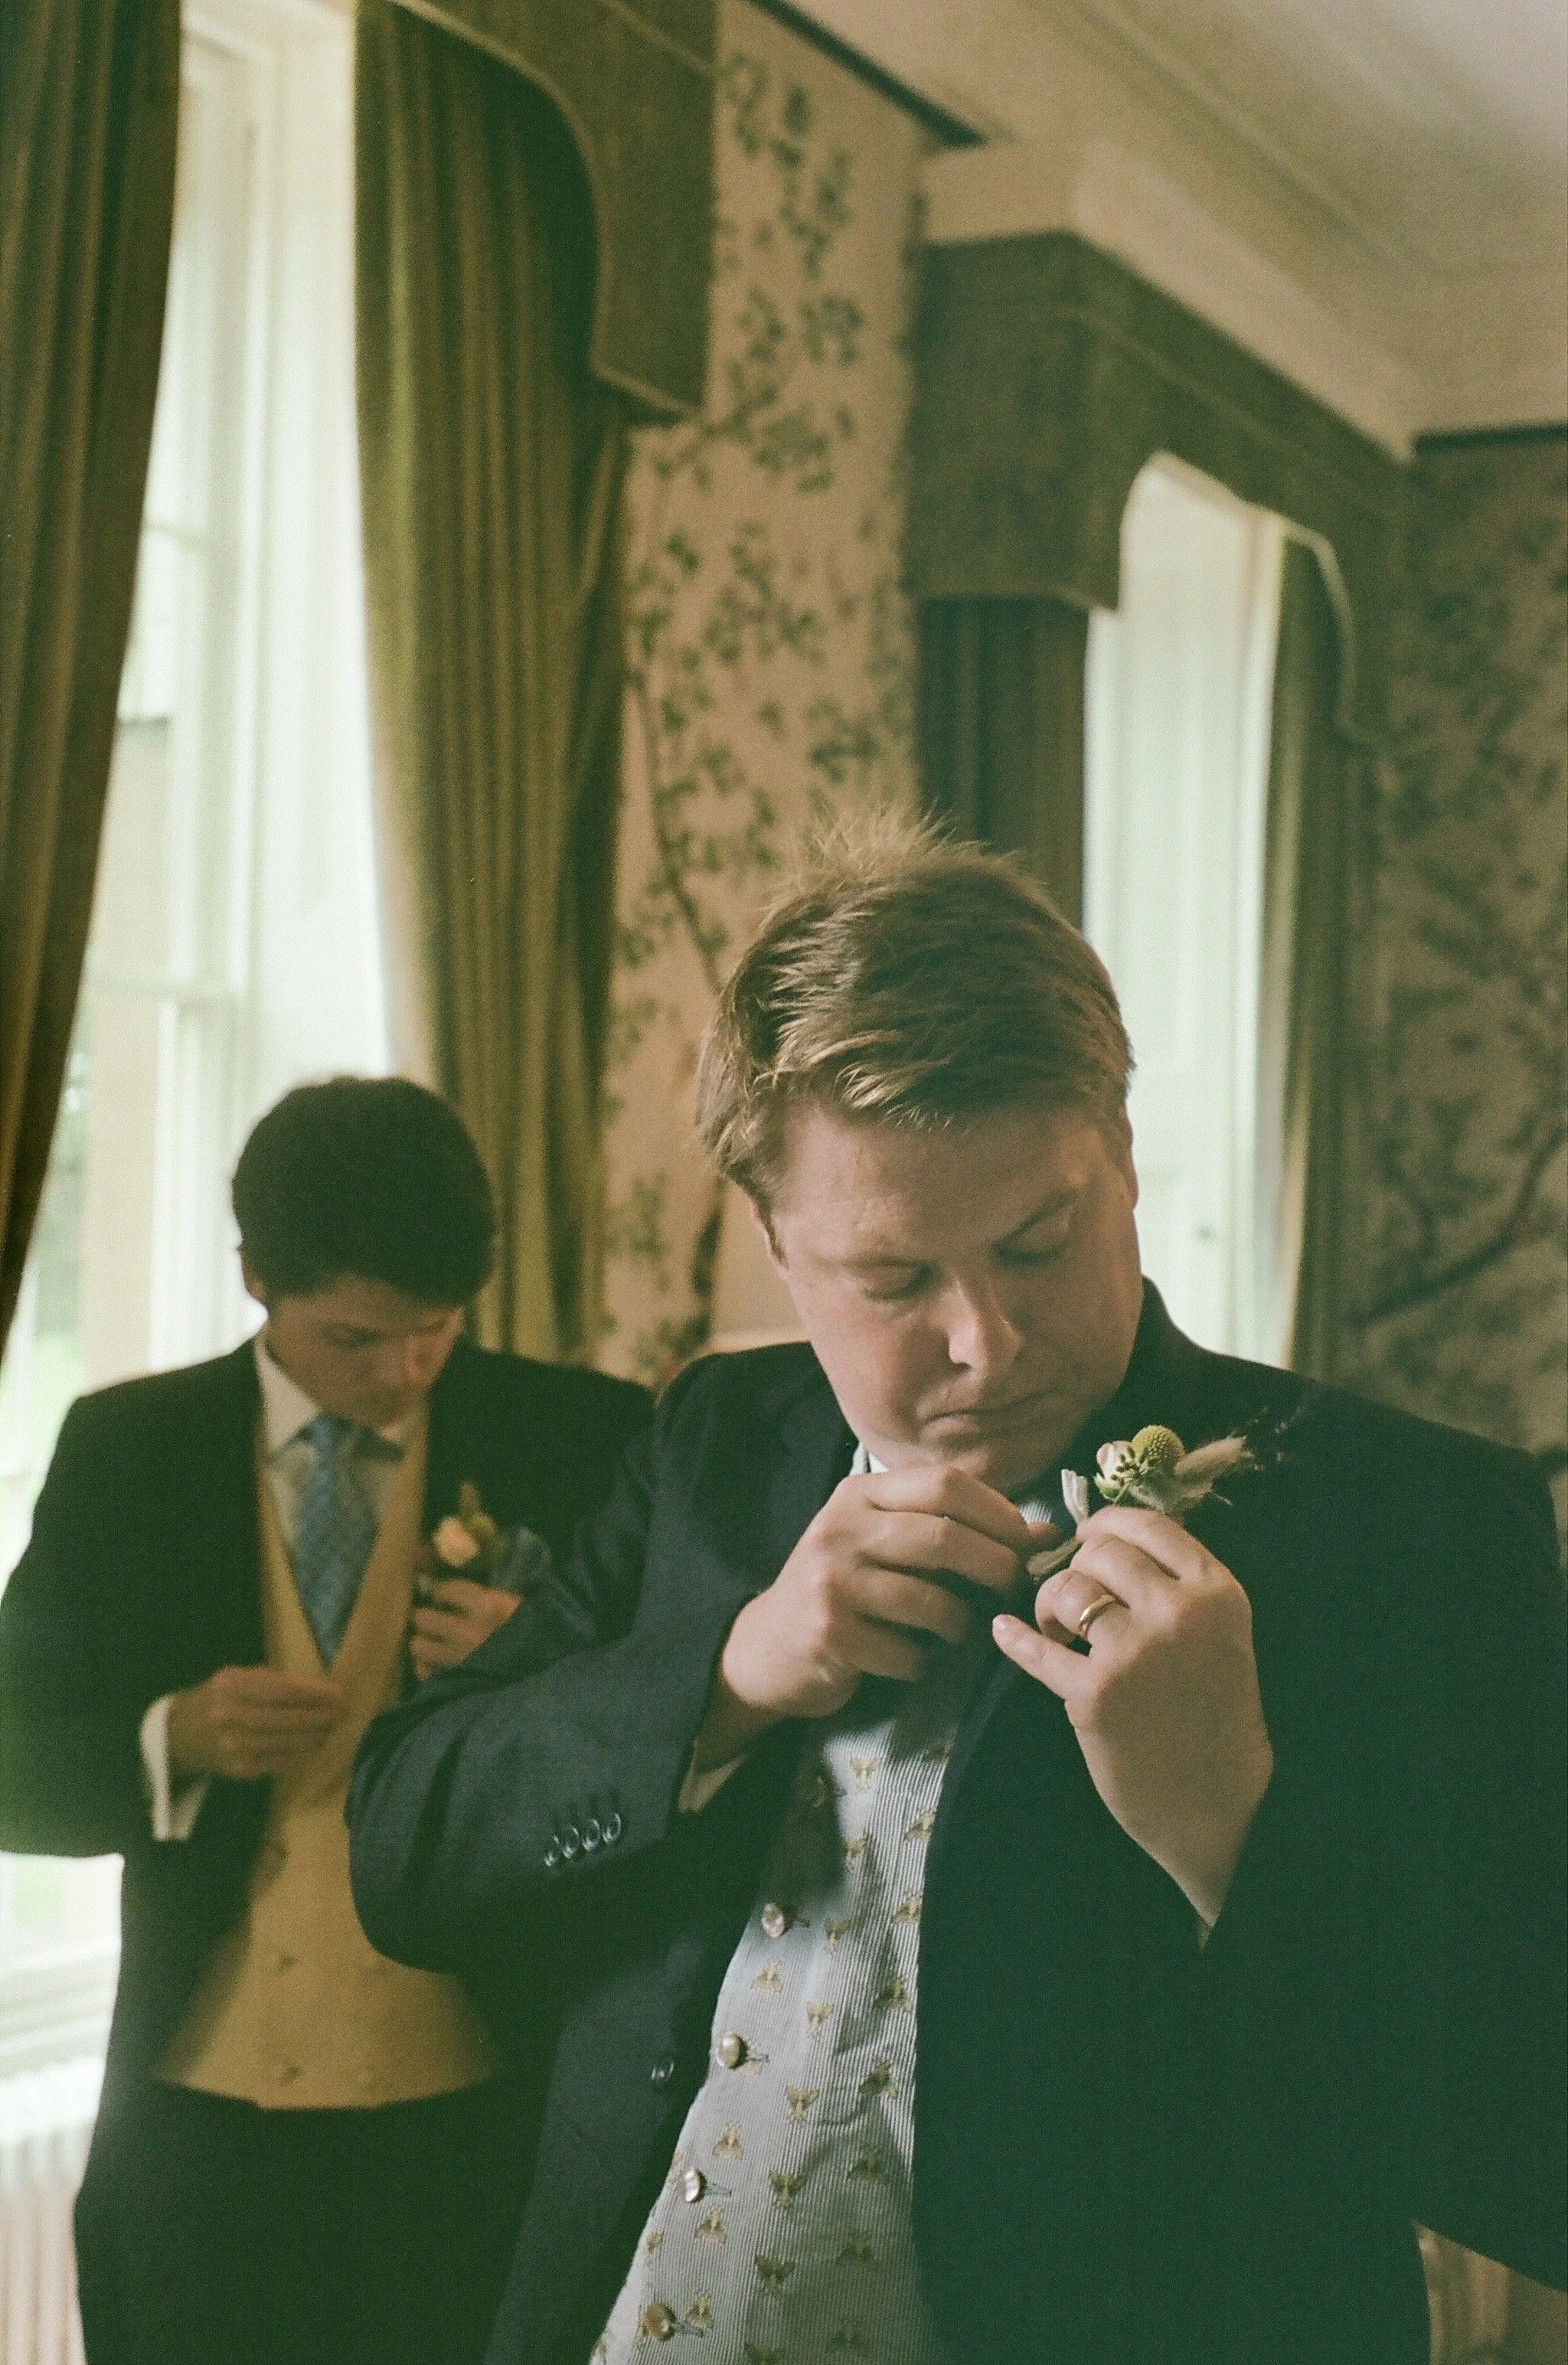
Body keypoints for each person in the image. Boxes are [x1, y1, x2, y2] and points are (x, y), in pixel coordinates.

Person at [347, 828, 1566, 2365]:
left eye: (1037, 1240)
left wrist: (1233, 1827)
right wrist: (731, 1668)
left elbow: (1535, 2144)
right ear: (781, 1248)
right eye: (893, 1278)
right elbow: (398, 1842)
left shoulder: (1416, 1517)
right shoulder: (717, 1441)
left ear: (1118, 1155)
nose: (983, 1340)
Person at [0, 1076, 650, 2365]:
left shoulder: (586, 1437)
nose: (407, 1369)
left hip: (484, 2123)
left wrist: (549, 1677)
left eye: (438, 1327)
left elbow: (688, 1746)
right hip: (200, 2135)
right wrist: (167, 1740)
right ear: (255, 1281)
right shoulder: (129, 1449)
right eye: (358, 1337)